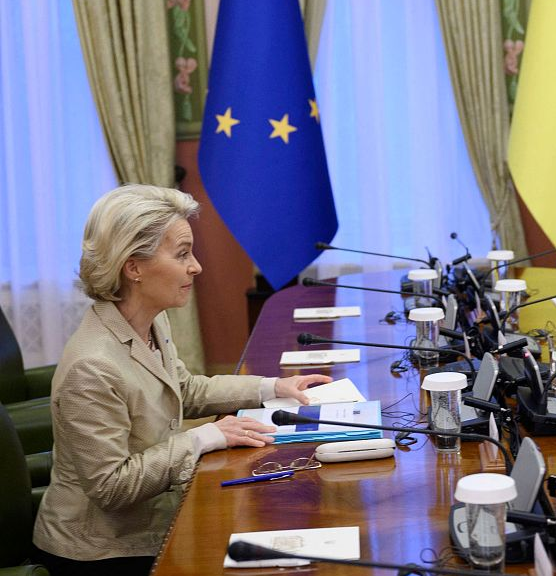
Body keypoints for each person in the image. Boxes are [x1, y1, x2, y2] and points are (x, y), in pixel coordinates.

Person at [32, 185, 331, 575]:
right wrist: (203, 438)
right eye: (182, 254)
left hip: (150, 523)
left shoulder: (151, 318)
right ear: (133, 266)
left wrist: (273, 388)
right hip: (98, 554)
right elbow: (111, 487)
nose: (196, 267)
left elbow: (184, 389)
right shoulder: (92, 365)